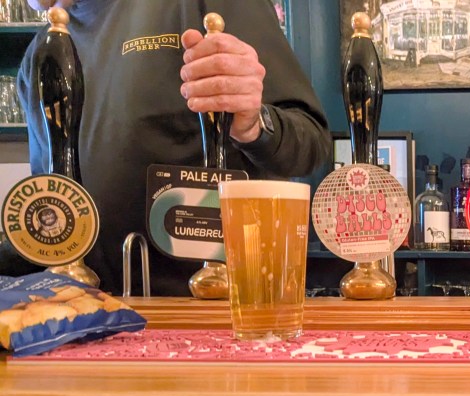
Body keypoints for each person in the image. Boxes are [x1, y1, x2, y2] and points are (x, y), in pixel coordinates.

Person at [16, 0, 332, 295]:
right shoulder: (42, 52)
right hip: (90, 316)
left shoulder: (202, 5)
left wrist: (253, 124)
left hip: (217, 309)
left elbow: (311, 143)